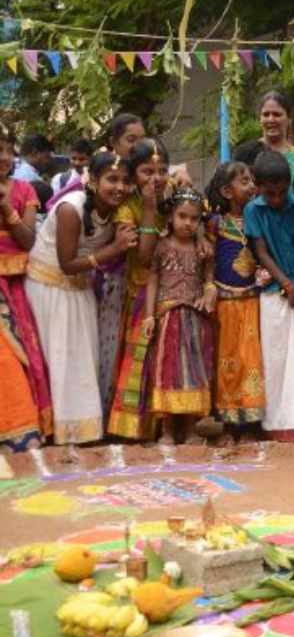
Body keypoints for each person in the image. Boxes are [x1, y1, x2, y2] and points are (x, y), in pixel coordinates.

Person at [26, 154, 135, 445]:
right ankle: (55, 432)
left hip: (80, 289)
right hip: (49, 290)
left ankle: (82, 431)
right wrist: (115, 248)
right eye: (112, 179)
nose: (120, 187)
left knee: (82, 360)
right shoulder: (71, 209)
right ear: (94, 181)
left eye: (126, 180)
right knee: (58, 359)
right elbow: (67, 264)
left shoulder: (119, 211)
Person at [244, 150, 294, 442]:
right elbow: (261, 252)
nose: (276, 199)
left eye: (281, 192)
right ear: (259, 187)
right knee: (275, 360)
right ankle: (278, 423)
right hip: (275, 293)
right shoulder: (254, 210)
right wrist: (288, 285)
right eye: (270, 193)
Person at [108, 138, 173, 441]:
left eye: (162, 170)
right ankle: (134, 428)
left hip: (172, 295)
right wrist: (148, 209)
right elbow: (145, 256)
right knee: (141, 362)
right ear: (134, 174)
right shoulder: (127, 209)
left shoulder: (172, 199)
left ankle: (167, 425)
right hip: (140, 294)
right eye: (148, 171)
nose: (156, 178)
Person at [143, 187, 215, 444]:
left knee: (194, 370)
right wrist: (149, 316)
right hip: (168, 317)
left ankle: (191, 428)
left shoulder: (203, 248)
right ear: (171, 216)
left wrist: (209, 293)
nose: (188, 223)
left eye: (194, 218)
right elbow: (152, 279)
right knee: (168, 370)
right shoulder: (161, 246)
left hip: (195, 319)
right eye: (182, 216)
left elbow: (208, 279)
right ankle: (168, 430)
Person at [90, 115, 146, 421]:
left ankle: (118, 416)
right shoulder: (102, 180)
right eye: (131, 140)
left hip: (133, 280)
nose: (137, 147)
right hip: (99, 277)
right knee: (100, 346)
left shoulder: (147, 181)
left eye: (142, 139)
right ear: (114, 143)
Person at [0, 126, 52, 449]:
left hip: (15, 285)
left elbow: (29, 241)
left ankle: (20, 429)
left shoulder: (23, 191)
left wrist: (7, 210)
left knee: (20, 356)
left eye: (7, 149)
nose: (4, 157)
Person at [206, 161, 266, 441]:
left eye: (252, 180)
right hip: (226, 300)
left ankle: (251, 422)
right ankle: (229, 423)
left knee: (252, 360)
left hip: (252, 298)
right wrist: (208, 286)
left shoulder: (257, 218)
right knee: (228, 362)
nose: (252, 186)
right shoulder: (215, 223)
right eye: (245, 182)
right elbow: (207, 258)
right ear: (227, 192)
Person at [258, 91, 294, 178]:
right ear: (259, 118)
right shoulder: (247, 156)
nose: (271, 119)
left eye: (277, 114)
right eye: (266, 115)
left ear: (289, 119)